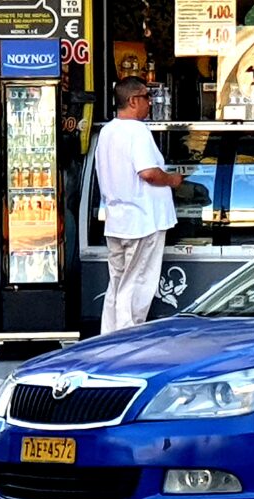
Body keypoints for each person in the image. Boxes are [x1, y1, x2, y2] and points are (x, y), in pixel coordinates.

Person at [95, 77, 184, 334]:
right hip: (143, 219)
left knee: (118, 283)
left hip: (117, 219)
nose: (150, 102)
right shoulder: (137, 131)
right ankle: (127, 338)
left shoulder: (107, 131)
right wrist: (172, 180)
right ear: (133, 101)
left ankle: (108, 339)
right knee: (137, 284)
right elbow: (148, 173)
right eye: (146, 97)